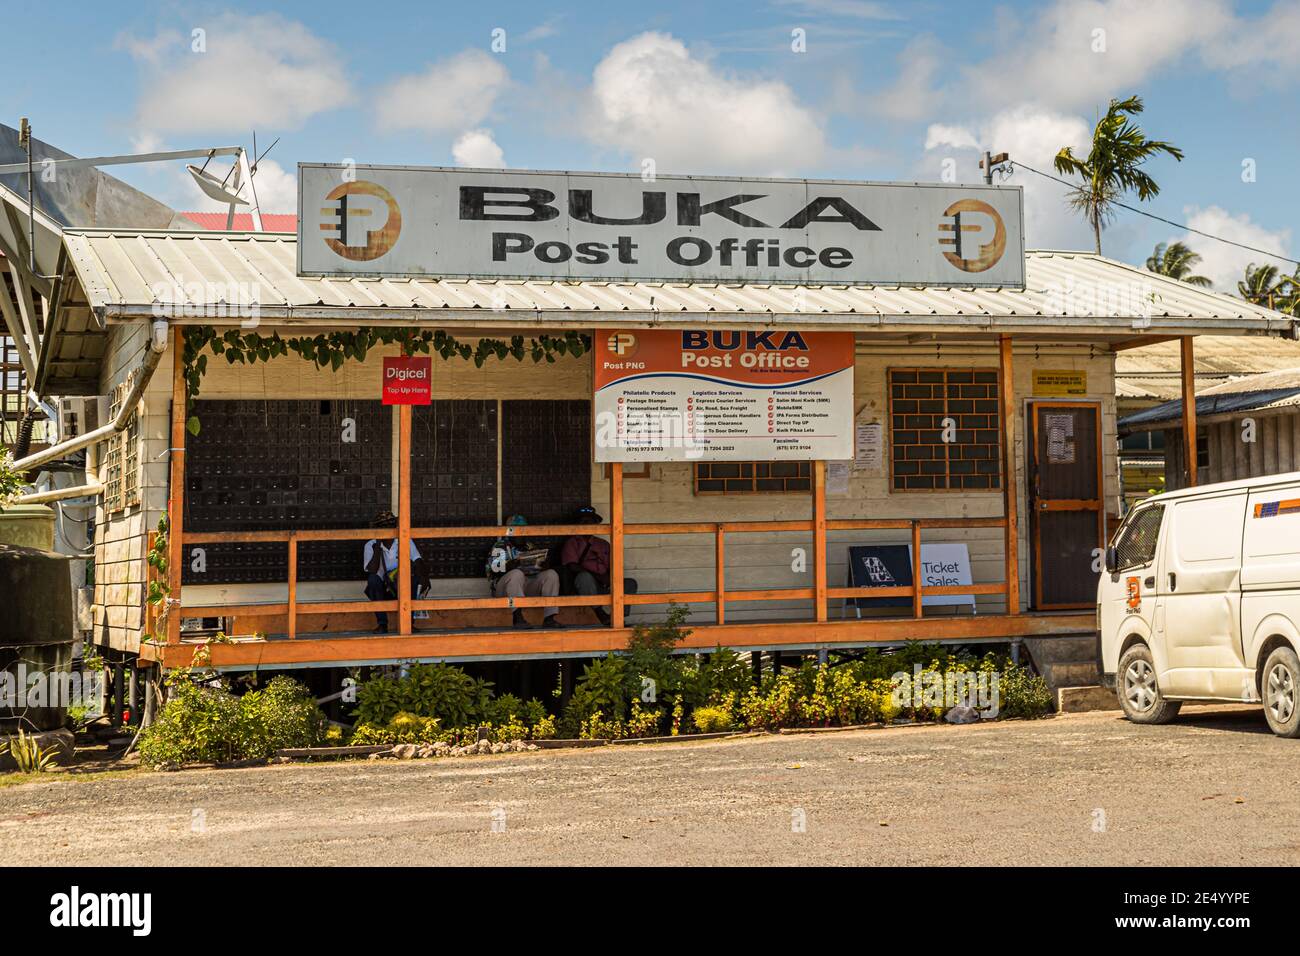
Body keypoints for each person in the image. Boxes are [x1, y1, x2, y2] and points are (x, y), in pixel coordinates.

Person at [487, 514, 561, 629]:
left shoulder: (529, 546)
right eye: (518, 530)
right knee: (516, 573)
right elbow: (495, 572)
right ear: (510, 532)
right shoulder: (500, 546)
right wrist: (512, 565)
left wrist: (542, 565)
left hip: (525, 586)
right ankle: (518, 618)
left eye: (523, 530)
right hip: (504, 590)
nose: (521, 534)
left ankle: (549, 618)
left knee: (551, 574)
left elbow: (538, 567)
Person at [362, 511, 429, 633]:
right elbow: (372, 570)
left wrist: (424, 579)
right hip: (383, 590)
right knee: (373, 580)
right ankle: (382, 624)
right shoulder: (370, 545)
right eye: (383, 527)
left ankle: (409, 623)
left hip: (401, 587)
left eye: (390, 526)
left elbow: (418, 561)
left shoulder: (404, 541)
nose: (387, 530)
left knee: (415, 580)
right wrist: (378, 546)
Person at [560, 506, 613, 625]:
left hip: (604, 582)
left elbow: (612, 565)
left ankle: (617, 616)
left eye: (590, 521)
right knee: (585, 577)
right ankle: (600, 613)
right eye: (583, 521)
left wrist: (610, 578)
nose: (587, 524)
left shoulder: (603, 544)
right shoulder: (572, 543)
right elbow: (572, 566)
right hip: (583, 584)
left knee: (629, 583)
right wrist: (597, 576)